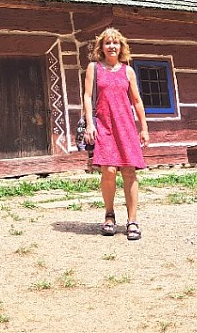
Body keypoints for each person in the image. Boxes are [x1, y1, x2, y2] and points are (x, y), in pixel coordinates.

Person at [83, 27, 149, 240]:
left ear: (121, 47)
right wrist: (89, 124)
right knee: (109, 170)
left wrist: (144, 127)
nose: (112, 46)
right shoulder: (94, 68)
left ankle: (132, 220)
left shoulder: (128, 71)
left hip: (126, 125)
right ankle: (109, 215)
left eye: (116, 42)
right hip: (104, 124)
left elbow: (137, 101)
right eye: (107, 43)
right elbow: (87, 96)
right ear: (101, 47)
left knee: (129, 171)